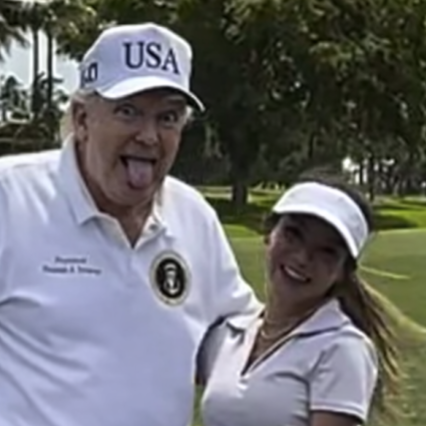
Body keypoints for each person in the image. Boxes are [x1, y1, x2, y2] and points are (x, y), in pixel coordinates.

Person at [0, 23, 260, 426]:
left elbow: (233, 327)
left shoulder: (193, 216)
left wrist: (318, 342)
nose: (149, 136)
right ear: (82, 119)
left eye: (168, 118)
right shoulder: (10, 197)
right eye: (128, 112)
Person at [199, 173, 404, 426]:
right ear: (269, 233)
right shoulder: (231, 333)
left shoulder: (342, 348)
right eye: (293, 234)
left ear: (343, 272)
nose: (303, 258)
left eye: (327, 251)